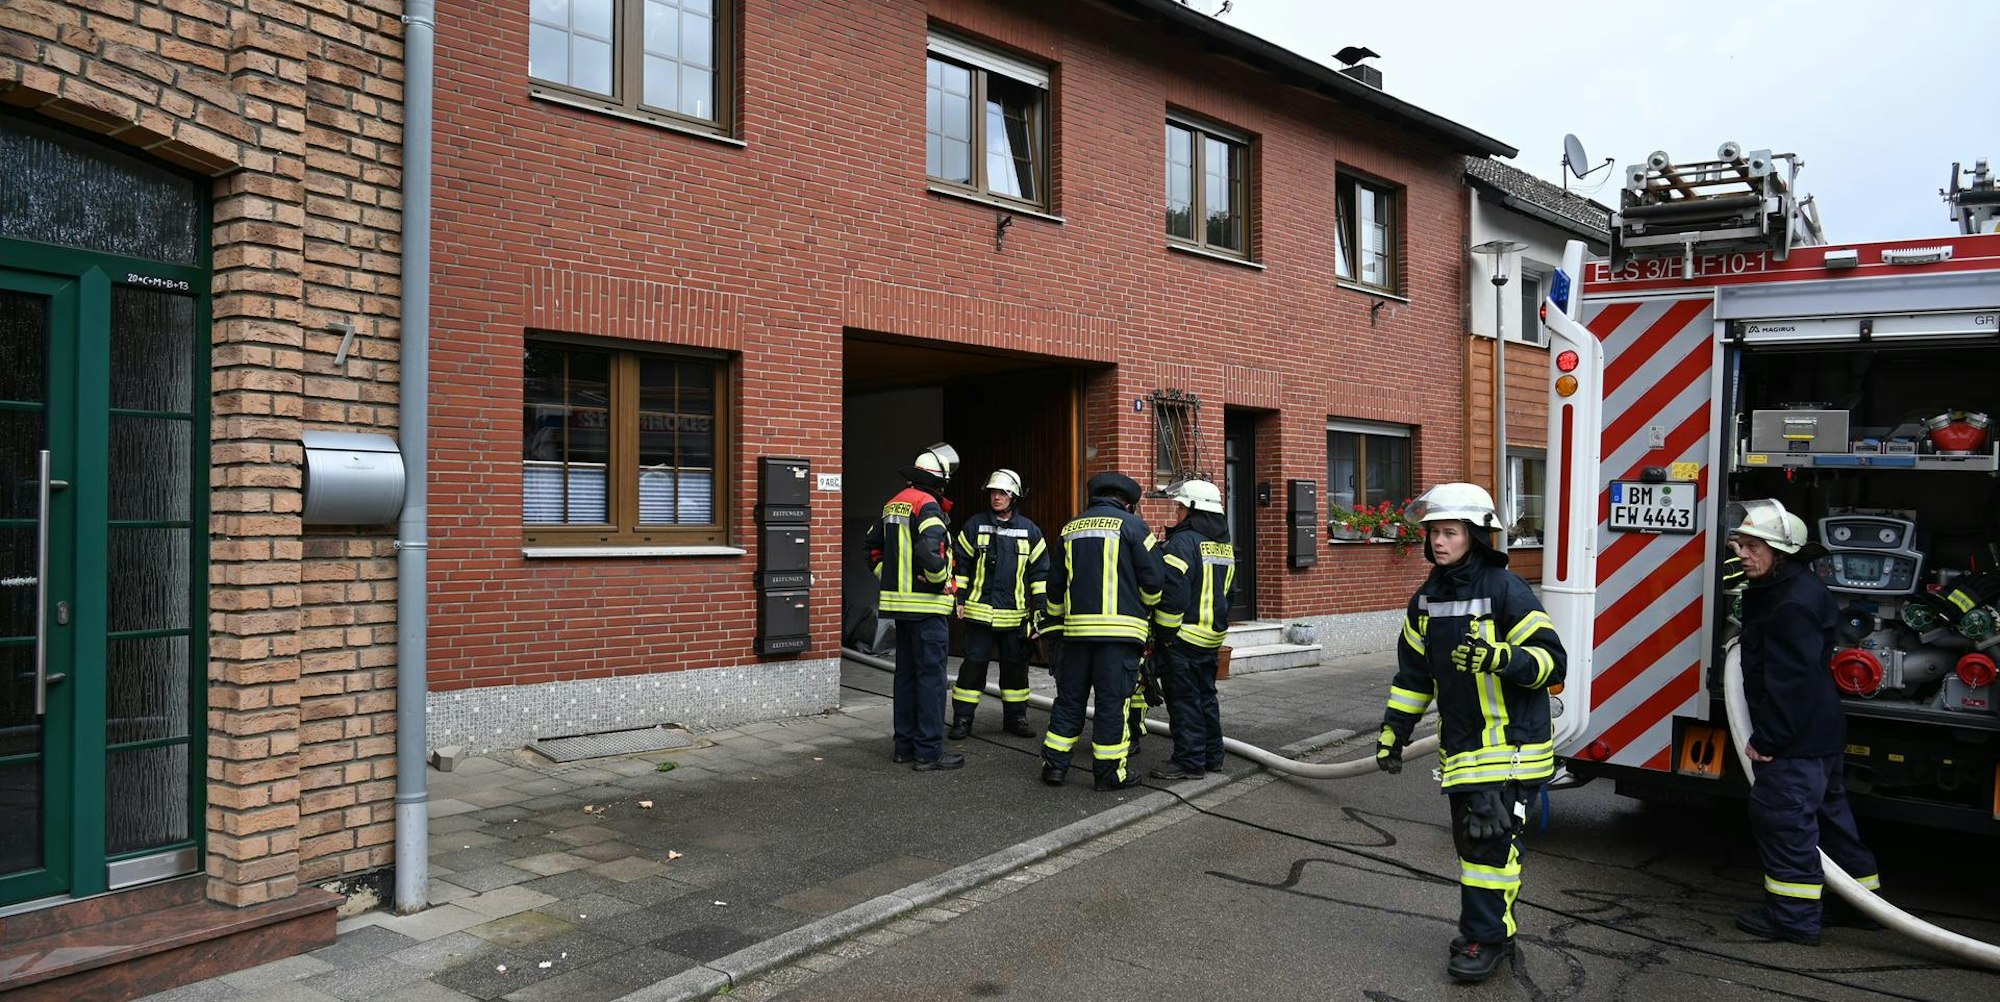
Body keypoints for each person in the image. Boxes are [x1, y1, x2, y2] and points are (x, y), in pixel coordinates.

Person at [1375, 482, 1565, 983]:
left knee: (1489, 848)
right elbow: (1414, 677)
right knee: (1475, 847)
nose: (1438, 541)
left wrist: (1501, 658)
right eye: (1434, 532)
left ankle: (1486, 940)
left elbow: (1552, 662)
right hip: (1464, 751)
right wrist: (1394, 730)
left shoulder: (1507, 590)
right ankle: (1492, 929)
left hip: (1511, 750)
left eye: (1450, 532)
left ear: (1476, 536)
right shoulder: (1426, 600)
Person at [1727, 499, 1882, 946]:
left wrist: (1768, 739)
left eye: (1754, 546)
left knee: (1784, 823)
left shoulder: (1790, 603)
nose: (1743, 554)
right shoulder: (1794, 587)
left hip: (1794, 741)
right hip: (1820, 734)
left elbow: (1791, 682)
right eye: (1740, 544)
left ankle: (1793, 918)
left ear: (1782, 551)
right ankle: (1861, 905)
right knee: (1832, 823)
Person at [1040, 471, 1164, 792]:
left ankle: (1054, 767)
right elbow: (1154, 582)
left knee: (1069, 700)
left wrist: (1055, 627)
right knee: (1112, 705)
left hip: (1076, 635)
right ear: (1128, 502)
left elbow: (1054, 587)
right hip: (1120, 638)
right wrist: (1144, 607)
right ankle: (1109, 775)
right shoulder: (1135, 527)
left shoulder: (1070, 528)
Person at [865, 443, 964, 771]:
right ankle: (928, 752)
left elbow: (872, 550)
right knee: (931, 681)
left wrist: (892, 579)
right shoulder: (928, 505)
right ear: (939, 479)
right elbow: (929, 552)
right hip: (927, 609)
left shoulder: (893, 503)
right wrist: (937, 581)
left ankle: (903, 747)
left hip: (900, 609)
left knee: (905, 678)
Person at [948, 469, 1049, 739]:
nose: (996, 497)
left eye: (1003, 493)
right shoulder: (975, 526)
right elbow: (960, 565)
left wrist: (1040, 611)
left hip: (1015, 618)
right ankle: (962, 719)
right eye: (993, 492)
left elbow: (1040, 574)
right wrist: (959, 598)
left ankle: (1016, 719)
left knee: (1016, 671)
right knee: (973, 668)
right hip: (979, 615)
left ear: (1014, 497)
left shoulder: (1030, 531)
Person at [1147, 479, 1235, 781]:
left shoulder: (1183, 543)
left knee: (1184, 702)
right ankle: (1212, 757)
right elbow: (1229, 594)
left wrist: (1165, 635)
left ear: (1194, 510)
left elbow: (1173, 594)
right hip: (1212, 637)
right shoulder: (1224, 546)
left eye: (1181, 508)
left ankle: (1189, 761)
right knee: (1206, 698)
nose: (1177, 513)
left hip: (1182, 638)